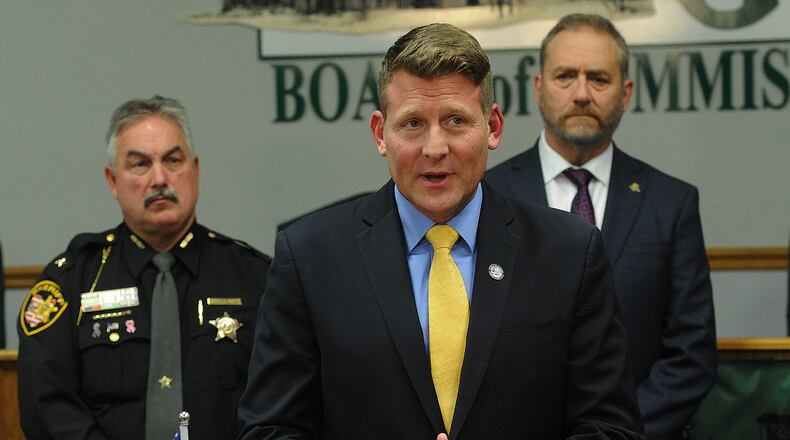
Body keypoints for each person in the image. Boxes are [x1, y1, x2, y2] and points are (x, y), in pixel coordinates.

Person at [238, 23, 643, 439]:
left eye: (455, 121)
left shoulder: (569, 254)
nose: (435, 148)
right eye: (413, 123)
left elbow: (610, 427)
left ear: (493, 127)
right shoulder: (310, 258)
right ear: (381, 134)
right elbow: (270, 429)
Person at [486, 14, 717, 439]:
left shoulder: (671, 203)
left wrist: (618, 434)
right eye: (564, 76)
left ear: (625, 93)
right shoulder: (488, 194)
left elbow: (691, 354)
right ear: (538, 88)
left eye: (598, 79)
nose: (580, 93)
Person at [17, 96, 270, 440]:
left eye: (173, 160)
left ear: (195, 170)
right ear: (112, 180)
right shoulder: (71, 281)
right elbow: (47, 407)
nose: (159, 178)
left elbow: (279, 403)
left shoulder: (254, 277)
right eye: (140, 164)